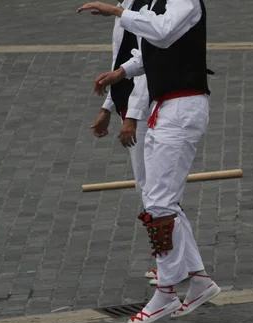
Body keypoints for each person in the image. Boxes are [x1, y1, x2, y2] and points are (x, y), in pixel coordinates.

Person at [78, 0, 220, 323]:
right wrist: (121, 72)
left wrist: (117, 13)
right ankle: (198, 281)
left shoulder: (184, 1)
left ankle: (167, 291)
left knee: (159, 202)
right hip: (165, 109)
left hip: (183, 108)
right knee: (157, 199)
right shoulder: (159, 1)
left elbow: (162, 31)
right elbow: (151, 48)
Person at [89, 0, 159, 285]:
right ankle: (169, 259)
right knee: (148, 187)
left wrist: (132, 116)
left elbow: (146, 66)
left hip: (145, 110)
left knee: (153, 188)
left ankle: (170, 261)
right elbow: (121, 62)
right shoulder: (126, 5)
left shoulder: (148, 8)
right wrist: (108, 107)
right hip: (128, 109)